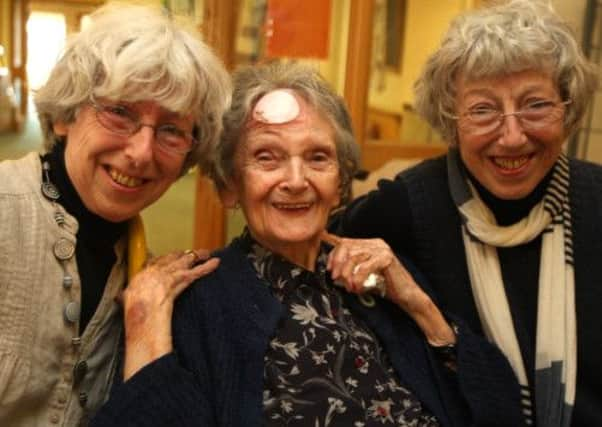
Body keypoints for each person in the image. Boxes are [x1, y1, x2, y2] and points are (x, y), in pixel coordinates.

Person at [92, 62, 524, 427]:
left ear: (339, 184)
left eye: (318, 157)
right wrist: (147, 333)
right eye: (267, 158)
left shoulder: (383, 275)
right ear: (228, 187)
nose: (296, 182)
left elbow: (503, 410)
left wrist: (420, 306)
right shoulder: (198, 302)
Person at [334, 1, 600, 426]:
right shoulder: (405, 208)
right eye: (483, 110)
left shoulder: (596, 203)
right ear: (449, 118)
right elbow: (310, 249)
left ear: (567, 110)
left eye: (535, 105)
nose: (512, 137)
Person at [0, 2, 230, 426]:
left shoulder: (145, 273)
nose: (141, 153)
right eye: (120, 112)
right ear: (67, 114)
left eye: (171, 130)